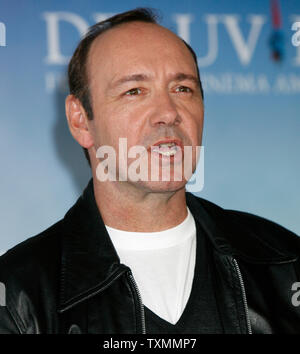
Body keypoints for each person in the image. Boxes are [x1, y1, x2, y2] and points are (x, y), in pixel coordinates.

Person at [0, 8, 300, 334]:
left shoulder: (285, 264)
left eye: (183, 89)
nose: (168, 113)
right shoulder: (19, 293)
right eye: (134, 91)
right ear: (80, 120)